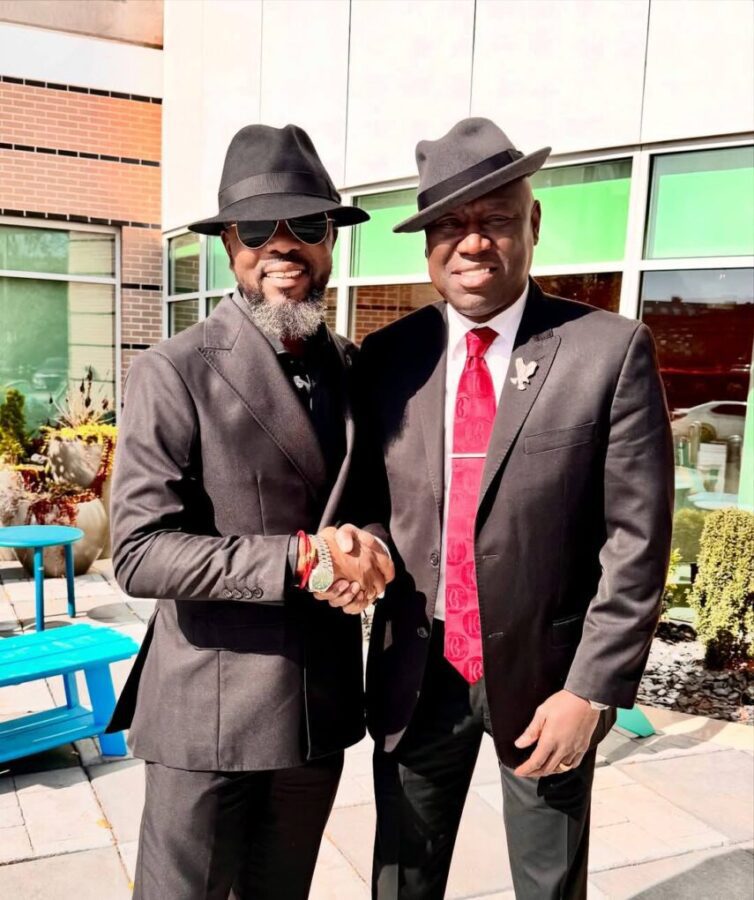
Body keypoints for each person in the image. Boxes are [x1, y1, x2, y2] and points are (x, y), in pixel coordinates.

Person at [358, 118, 673, 899]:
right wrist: (358, 549)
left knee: (549, 884)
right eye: (451, 226)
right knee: (401, 881)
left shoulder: (608, 351)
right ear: (427, 245)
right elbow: (370, 506)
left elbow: (636, 541)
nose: (473, 242)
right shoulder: (389, 358)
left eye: (495, 219)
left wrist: (591, 690)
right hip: (417, 676)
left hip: (548, 682)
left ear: (532, 223)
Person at [107, 123, 393, 900]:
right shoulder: (174, 370)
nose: (282, 245)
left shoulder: (352, 366)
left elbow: (369, 503)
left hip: (317, 710)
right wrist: (302, 559)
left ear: (332, 240)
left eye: (306, 225)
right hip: (209, 714)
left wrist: (368, 549)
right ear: (230, 245)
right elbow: (138, 551)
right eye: (258, 228)